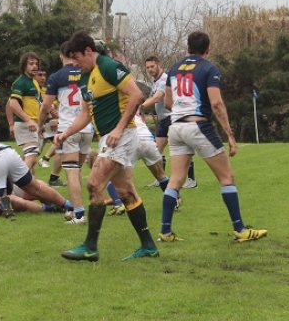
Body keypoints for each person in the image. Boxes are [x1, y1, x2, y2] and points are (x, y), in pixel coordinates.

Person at [55, 31, 159, 263]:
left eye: (77, 58)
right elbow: (85, 114)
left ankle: (90, 246)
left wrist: (120, 128)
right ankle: (149, 246)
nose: (74, 63)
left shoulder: (109, 66)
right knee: (127, 193)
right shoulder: (85, 76)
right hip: (108, 138)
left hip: (122, 136)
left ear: (89, 52)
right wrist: (65, 134)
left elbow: (136, 95)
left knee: (94, 183)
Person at [158, 31, 267, 244]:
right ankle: (240, 230)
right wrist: (230, 136)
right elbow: (217, 104)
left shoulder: (174, 68)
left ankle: (165, 231)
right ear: (208, 49)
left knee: (176, 179)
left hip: (176, 127)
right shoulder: (209, 68)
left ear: (187, 48)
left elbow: (168, 103)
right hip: (197, 126)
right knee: (227, 177)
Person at [39, 43, 93, 225]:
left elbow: (46, 105)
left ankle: (78, 214)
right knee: (76, 170)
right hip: (87, 128)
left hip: (68, 129)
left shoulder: (57, 77)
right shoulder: (87, 71)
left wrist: (40, 124)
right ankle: (76, 209)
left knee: (70, 173)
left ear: (61, 57)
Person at [143, 56, 197, 188]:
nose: (150, 69)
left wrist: (139, 107)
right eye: (148, 67)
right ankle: (161, 178)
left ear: (158, 65)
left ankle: (191, 180)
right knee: (156, 151)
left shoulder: (164, 79)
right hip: (163, 120)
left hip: (172, 117)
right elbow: (152, 97)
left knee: (182, 148)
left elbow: (156, 98)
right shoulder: (155, 82)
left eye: (152, 66)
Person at [8, 52, 44, 172]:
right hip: (25, 125)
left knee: (29, 159)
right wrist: (27, 120)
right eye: (31, 64)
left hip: (34, 125)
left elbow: (38, 103)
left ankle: (28, 188)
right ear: (24, 65)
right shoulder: (20, 82)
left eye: (36, 64)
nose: (35, 66)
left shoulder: (34, 82)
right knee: (32, 157)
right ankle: (16, 185)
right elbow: (12, 104)